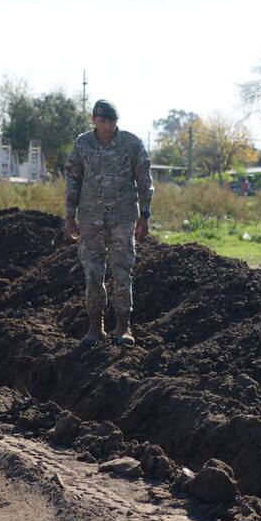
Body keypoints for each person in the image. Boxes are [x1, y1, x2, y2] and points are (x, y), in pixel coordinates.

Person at [63, 99, 153, 346]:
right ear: (94, 120)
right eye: (102, 121)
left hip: (123, 218)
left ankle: (123, 328)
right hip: (90, 219)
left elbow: (144, 180)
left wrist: (145, 215)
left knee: (122, 271)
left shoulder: (131, 144)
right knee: (93, 273)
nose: (107, 126)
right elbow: (73, 181)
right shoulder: (82, 144)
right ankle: (95, 328)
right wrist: (69, 216)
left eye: (111, 121)